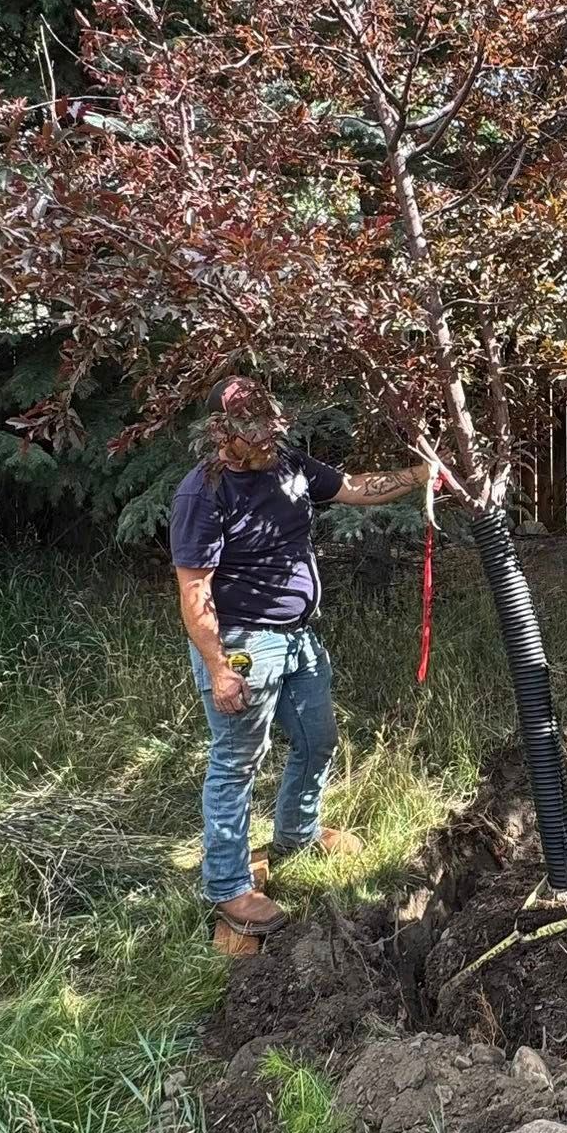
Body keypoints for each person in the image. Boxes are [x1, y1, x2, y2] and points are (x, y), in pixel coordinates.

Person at [169, 377, 431, 937]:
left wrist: (420, 474)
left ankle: (297, 835)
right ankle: (228, 886)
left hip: (299, 637)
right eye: (253, 430)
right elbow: (194, 594)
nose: (267, 439)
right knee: (237, 761)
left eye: (271, 427)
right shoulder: (203, 493)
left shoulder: (287, 464)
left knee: (318, 739)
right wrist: (219, 669)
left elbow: (356, 488)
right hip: (242, 645)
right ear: (223, 434)